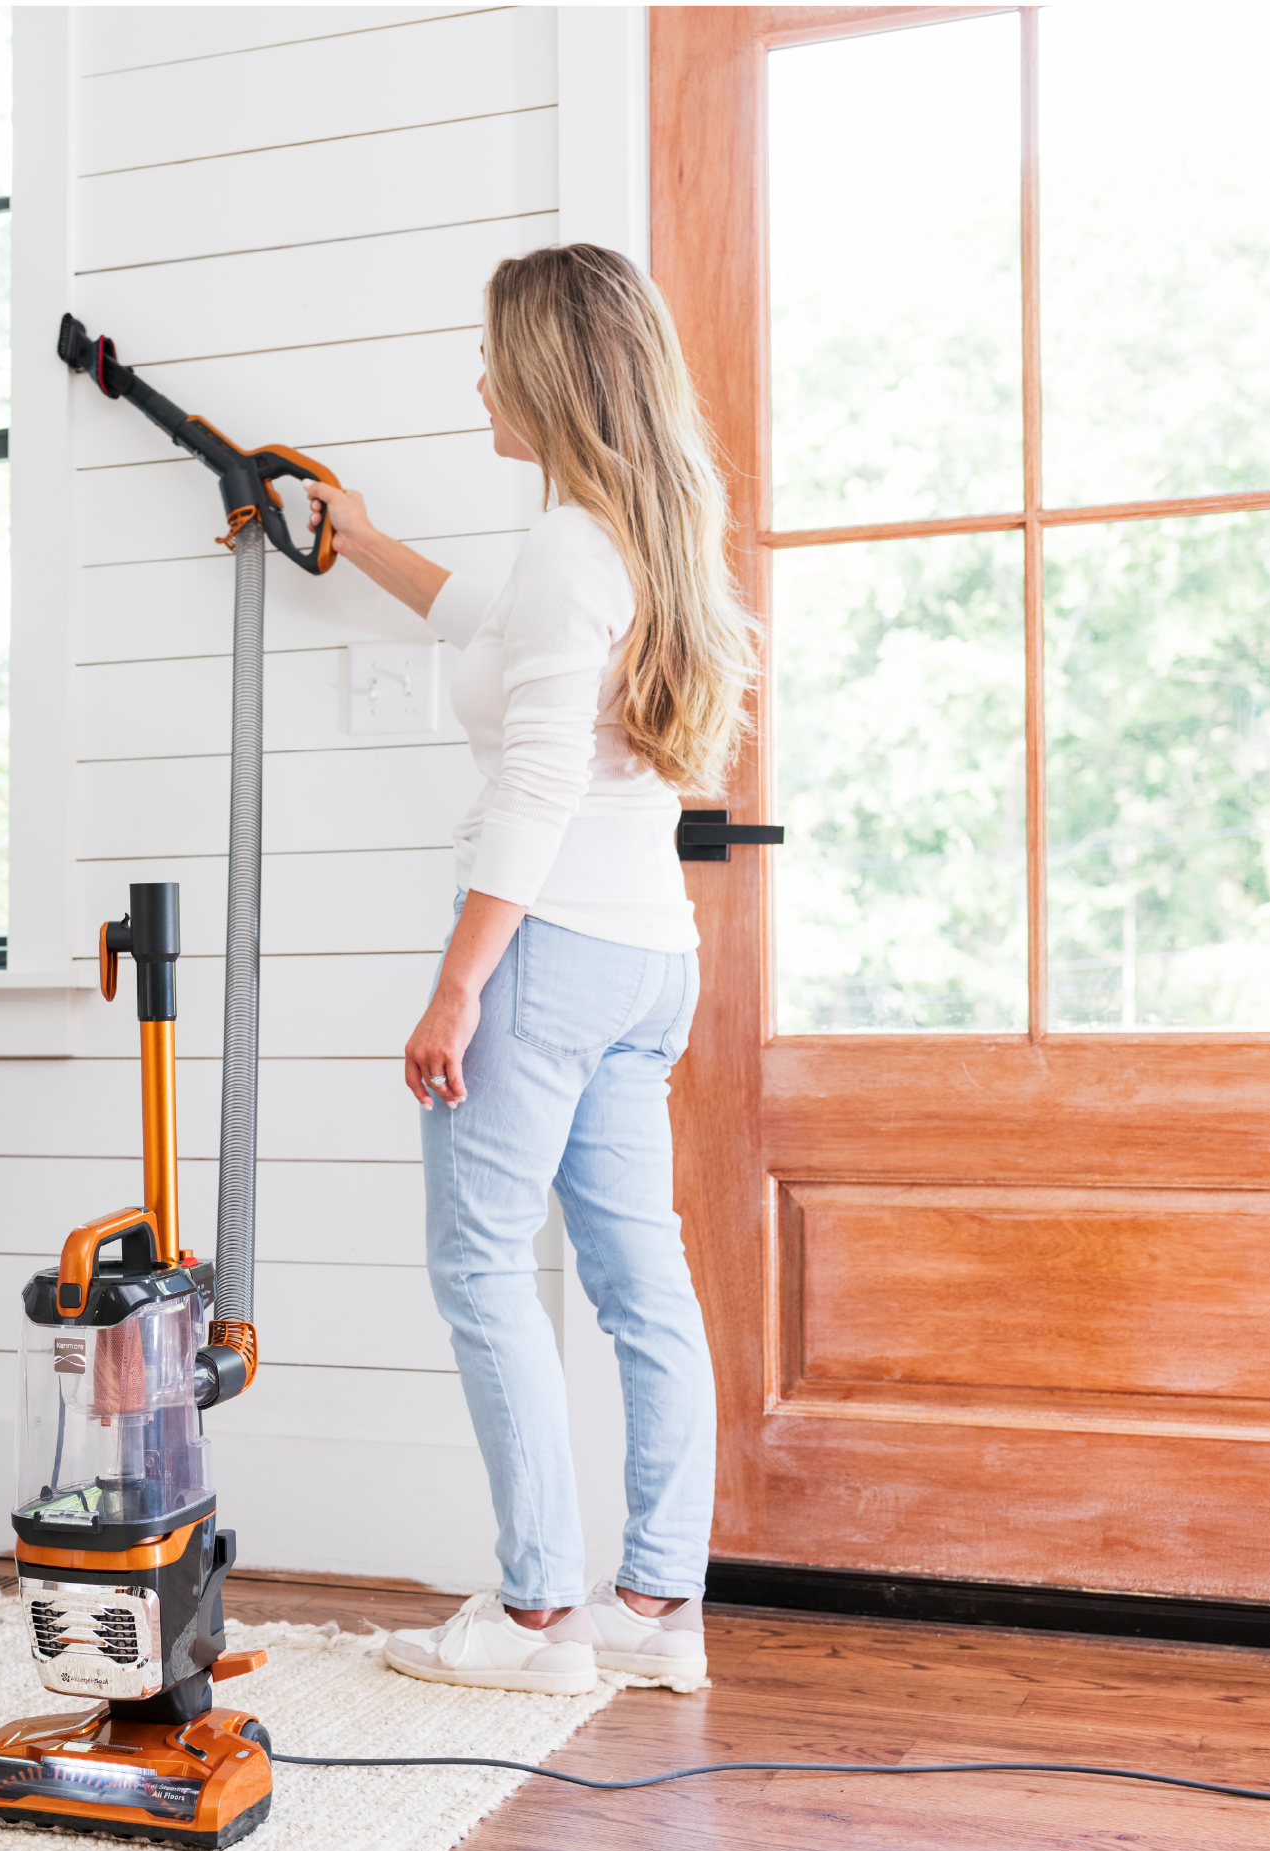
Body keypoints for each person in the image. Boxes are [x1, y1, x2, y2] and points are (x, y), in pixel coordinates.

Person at [305, 244, 755, 1697]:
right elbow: (494, 642)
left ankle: (536, 1618)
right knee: (641, 1287)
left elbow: (538, 786)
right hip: (645, 962)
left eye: (493, 355)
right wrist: (360, 540)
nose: (478, 379)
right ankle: (656, 1607)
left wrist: (457, 987)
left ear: (551, 376)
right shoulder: (635, 539)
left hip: (547, 956)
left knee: (483, 1267)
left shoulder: (572, 548)